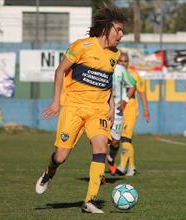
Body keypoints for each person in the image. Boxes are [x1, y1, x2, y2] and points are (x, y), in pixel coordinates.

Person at [35, 7, 127, 214]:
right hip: (74, 108)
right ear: (106, 29)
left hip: (98, 111)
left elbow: (107, 81)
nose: (121, 35)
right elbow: (60, 71)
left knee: (101, 147)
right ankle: (49, 172)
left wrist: (111, 106)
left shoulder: (115, 54)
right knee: (61, 156)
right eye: (119, 30)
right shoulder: (81, 46)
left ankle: (90, 201)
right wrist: (56, 102)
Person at [116, 52, 150, 176]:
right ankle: (132, 167)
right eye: (120, 61)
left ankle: (121, 166)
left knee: (125, 138)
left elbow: (142, 93)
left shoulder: (134, 75)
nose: (123, 63)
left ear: (128, 62)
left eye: (125, 61)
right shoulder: (114, 73)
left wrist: (146, 110)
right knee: (120, 140)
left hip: (130, 110)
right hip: (118, 109)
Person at [106, 60, 136, 176]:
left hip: (117, 111)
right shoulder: (98, 66)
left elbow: (132, 85)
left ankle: (110, 158)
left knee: (115, 143)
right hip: (101, 110)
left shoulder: (120, 70)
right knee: (100, 140)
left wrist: (125, 100)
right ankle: (98, 174)